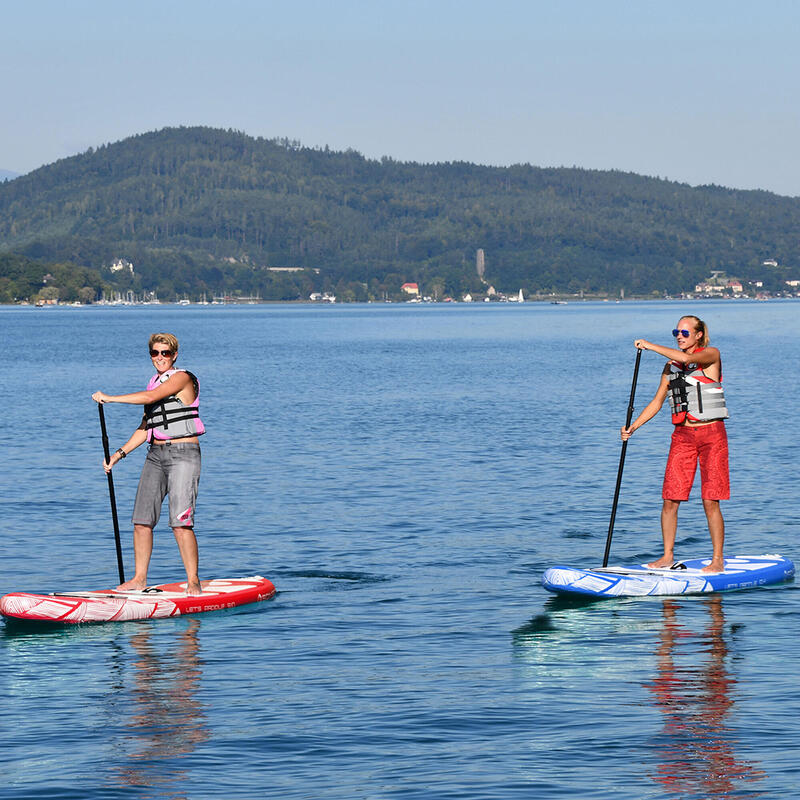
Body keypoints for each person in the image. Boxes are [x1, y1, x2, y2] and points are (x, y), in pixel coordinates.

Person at [92, 333, 205, 594]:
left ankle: (193, 582)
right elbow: (146, 428)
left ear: (174, 355)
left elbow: (149, 398)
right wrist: (118, 455)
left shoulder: (182, 377)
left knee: (180, 522)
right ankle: (139, 579)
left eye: (165, 353)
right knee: (142, 521)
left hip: (183, 454)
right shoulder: (153, 382)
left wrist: (110, 398)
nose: (160, 358)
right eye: (155, 353)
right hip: (155, 455)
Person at [620, 316, 729, 573]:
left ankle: (717, 560)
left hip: (712, 435)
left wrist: (649, 345)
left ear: (699, 335)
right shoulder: (671, 368)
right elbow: (657, 402)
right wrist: (632, 427)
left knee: (710, 499)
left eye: (684, 332)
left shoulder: (711, 355)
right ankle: (667, 556)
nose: (679, 336)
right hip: (683, 437)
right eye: (675, 332)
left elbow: (686, 359)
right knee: (670, 498)